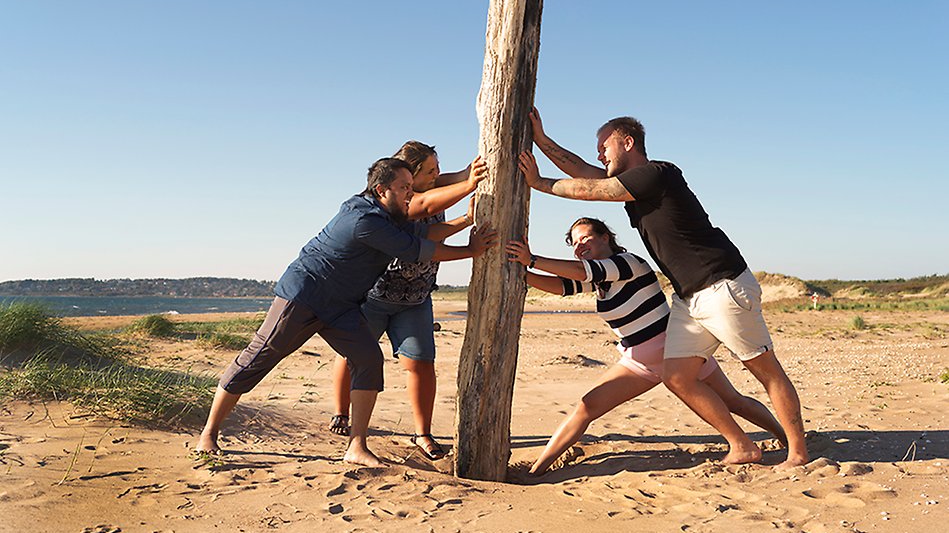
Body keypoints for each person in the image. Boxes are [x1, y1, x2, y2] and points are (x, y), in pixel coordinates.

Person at [519, 107, 809, 468]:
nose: (599, 154)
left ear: (628, 142)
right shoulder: (633, 187)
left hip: (721, 284)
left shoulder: (658, 174)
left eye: (603, 145)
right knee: (677, 378)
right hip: (688, 299)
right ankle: (743, 446)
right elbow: (584, 173)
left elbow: (594, 189)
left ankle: (798, 452)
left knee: (765, 372)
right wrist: (542, 140)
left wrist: (540, 184)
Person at [195, 157, 497, 467]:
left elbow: (422, 230)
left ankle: (357, 446)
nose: (411, 193)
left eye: (411, 186)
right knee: (256, 360)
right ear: (381, 190)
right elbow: (418, 248)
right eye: (404, 188)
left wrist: (464, 221)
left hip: (342, 306)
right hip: (303, 296)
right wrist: (471, 250)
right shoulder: (365, 220)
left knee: (367, 359)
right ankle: (209, 433)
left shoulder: (388, 213)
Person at [507, 217, 785, 475]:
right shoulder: (601, 281)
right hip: (638, 360)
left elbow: (581, 272)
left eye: (586, 239)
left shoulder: (628, 263)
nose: (580, 246)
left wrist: (531, 259)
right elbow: (562, 286)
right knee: (586, 407)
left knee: (732, 400)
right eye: (575, 243)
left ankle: (780, 436)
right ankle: (537, 471)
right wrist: (519, 271)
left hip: (676, 351)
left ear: (605, 237)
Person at [329, 142, 485, 460]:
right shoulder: (399, 199)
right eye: (430, 170)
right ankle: (341, 414)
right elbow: (424, 220)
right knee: (350, 356)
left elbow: (466, 172)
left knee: (421, 363)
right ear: (408, 177)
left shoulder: (433, 183)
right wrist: (464, 217)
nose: (438, 174)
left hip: (416, 296)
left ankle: (422, 433)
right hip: (374, 294)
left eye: (437, 168)